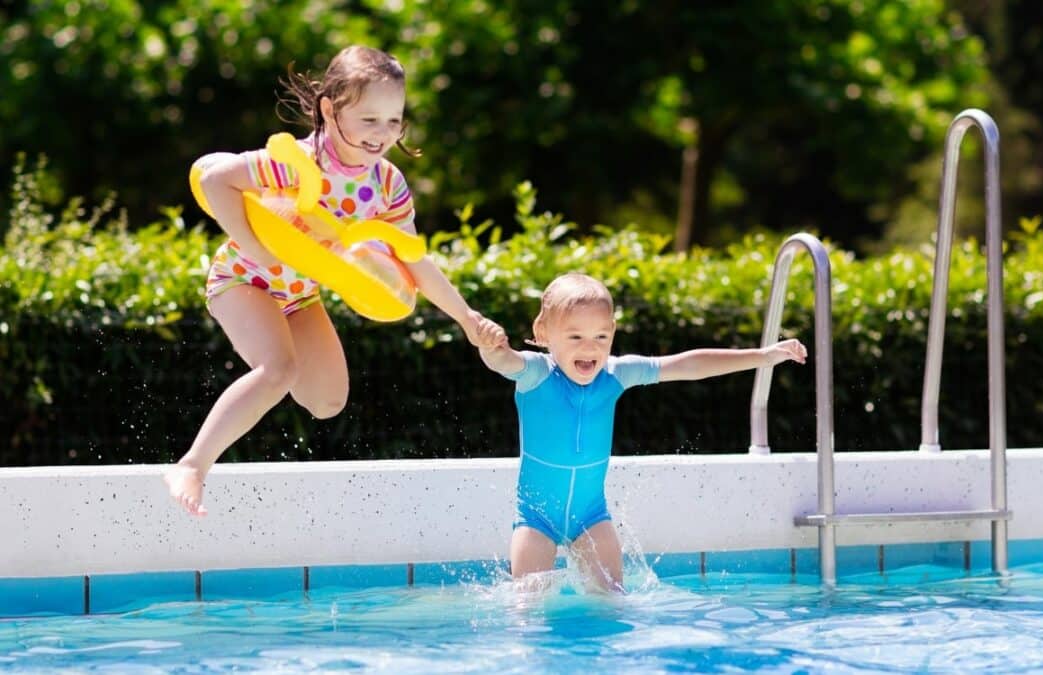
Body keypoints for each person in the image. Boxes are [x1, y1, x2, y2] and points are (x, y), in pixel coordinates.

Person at [165, 45, 492, 516]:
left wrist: (466, 317)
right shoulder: (296, 163)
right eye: (369, 119)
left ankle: (256, 406)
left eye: (393, 121)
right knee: (279, 370)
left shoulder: (386, 184)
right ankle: (192, 466)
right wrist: (256, 246)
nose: (382, 134)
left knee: (327, 401)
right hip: (243, 279)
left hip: (298, 295)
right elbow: (215, 178)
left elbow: (414, 261)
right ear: (329, 109)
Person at [472, 273, 807, 591]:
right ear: (543, 332)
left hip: (590, 517)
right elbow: (503, 362)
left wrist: (764, 356)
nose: (590, 347)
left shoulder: (616, 374)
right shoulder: (535, 374)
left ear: (613, 332)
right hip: (536, 519)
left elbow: (688, 365)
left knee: (613, 602)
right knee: (526, 609)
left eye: (601, 336)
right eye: (575, 336)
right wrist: (489, 348)